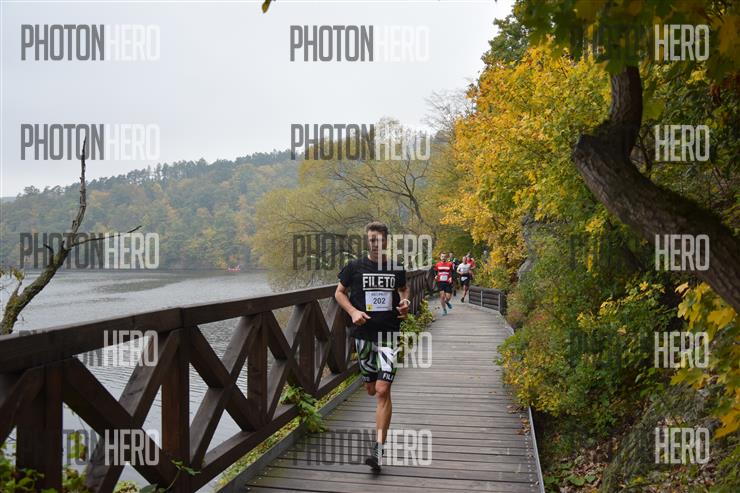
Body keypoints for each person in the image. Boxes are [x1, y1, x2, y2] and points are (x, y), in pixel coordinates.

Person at [335, 221, 410, 472]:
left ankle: (378, 450)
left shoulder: (396, 267)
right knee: (370, 389)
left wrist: (405, 302)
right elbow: (339, 293)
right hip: (363, 335)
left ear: (387, 241)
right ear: (367, 241)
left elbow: (404, 290)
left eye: (380, 240)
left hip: (389, 333)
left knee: (382, 390)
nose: (376, 244)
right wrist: (353, 311)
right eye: (371, 240)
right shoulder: (354, 267)